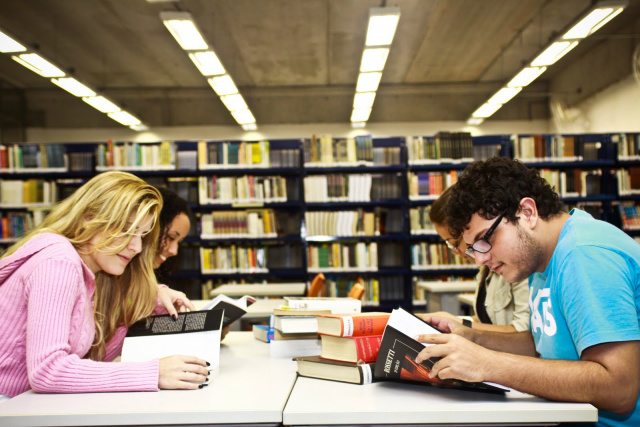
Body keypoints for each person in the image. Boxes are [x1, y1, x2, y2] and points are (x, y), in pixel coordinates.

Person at [415, 157, 640, 427]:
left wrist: (488, 364)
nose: (480, 260)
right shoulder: (541, 258)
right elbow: (545, 345)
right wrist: (473, 337)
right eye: (472, 248)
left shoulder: (584, 254)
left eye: (485, 240)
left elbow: (619, 389)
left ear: (527, 213)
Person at [0, 171, 209, 401]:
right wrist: (154, 372)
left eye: (141, 235)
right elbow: (48, 372)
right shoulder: (59, 262)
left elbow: (90, 363)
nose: (137, 247)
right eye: (127, 230)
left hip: (23, 406)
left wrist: (148, 305)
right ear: (89, 219)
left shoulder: (91, 273)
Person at [420, 186, 529, 333]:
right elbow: (488, 318)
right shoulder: (485, 268)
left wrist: (460, 324)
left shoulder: (519, 264)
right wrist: (452, 322)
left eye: (455, 243)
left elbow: (524, 333)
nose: (456, 252)